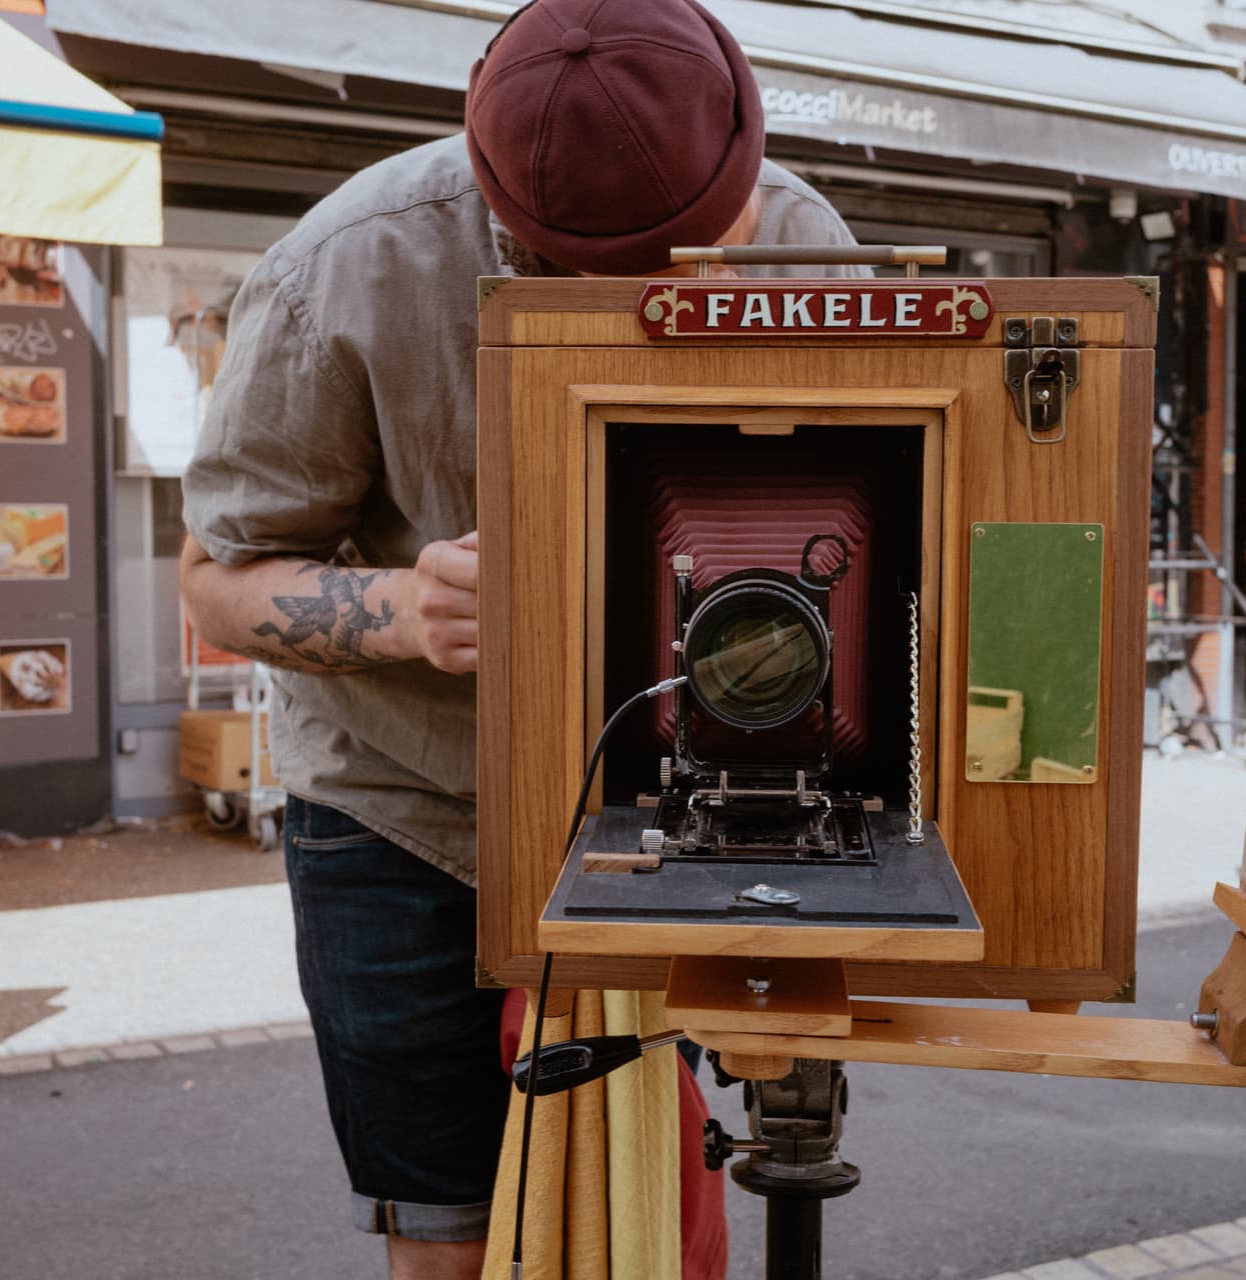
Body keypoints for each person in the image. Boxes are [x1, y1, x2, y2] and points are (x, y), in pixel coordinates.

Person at [179, 2, 863, 1275]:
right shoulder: (347, 263)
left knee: (668, 1204)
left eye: (695, 247)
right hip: (406, 809)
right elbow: (212, 583)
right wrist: (403, 607)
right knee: (451, 1233)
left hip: (705, 798)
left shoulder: (803, 237)